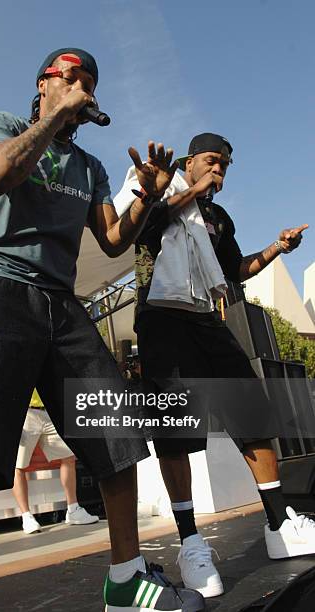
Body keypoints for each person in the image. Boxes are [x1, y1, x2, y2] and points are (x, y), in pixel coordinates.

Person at [0, 48, 205, 612]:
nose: (85, 91)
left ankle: (125, 579)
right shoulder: (3, 126)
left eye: (91, 85)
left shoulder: (91, 168)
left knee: (116, 427)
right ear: (44, 84)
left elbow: (112, 240)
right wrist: (54, 116)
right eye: (73, 78)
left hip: (60, 300)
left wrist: (148, 197)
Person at [114, 132, 313, 598]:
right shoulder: (156, 188)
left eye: (226, 163)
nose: (220, 168)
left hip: (207, 317)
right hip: (161, 317)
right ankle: (190, 542)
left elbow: (235, 269)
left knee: (253, 415)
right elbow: (138, 229)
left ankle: (279, 522)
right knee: (175, 430)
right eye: (212, 159)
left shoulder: (217, 217)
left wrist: (277, 248)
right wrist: (187, 191)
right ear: (191, 160)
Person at [13, 389, 99, 533]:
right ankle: (26, 516)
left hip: (50, 411)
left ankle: (73, 509)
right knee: (18, 465)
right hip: (26, 412)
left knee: (68, 457)